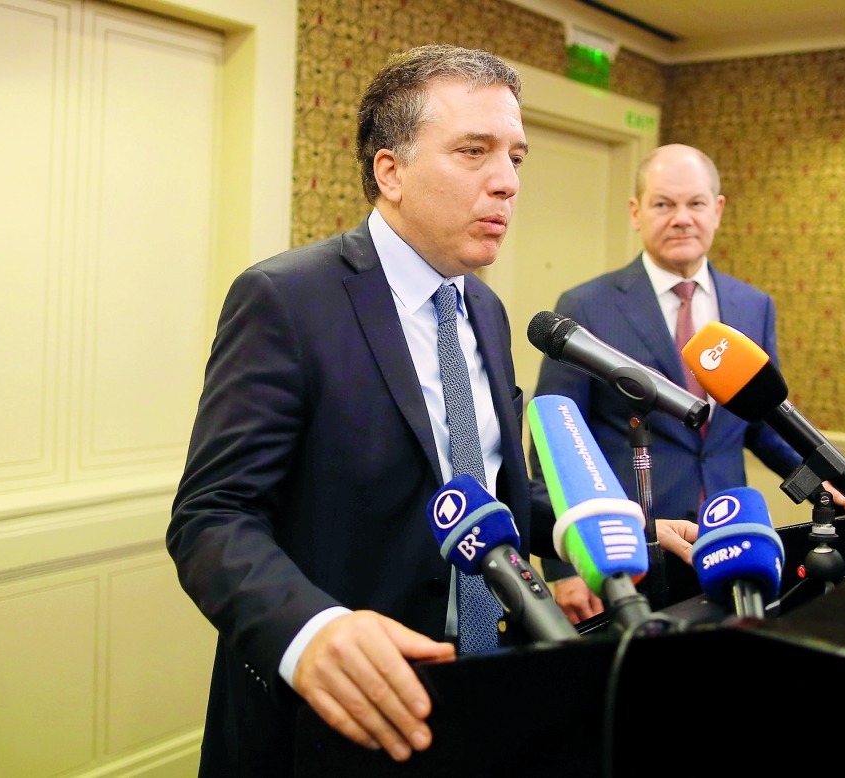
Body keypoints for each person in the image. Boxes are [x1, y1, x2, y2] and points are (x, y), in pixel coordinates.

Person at [167, 45, 697, 775]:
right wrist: (311, 630)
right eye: (473, 152)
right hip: (339, 721)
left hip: (480, 696)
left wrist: (615, 529)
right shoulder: (288, 299)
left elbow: (486, 489)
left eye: (516, 157)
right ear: (391, 171)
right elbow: (211, 518)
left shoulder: (486, 310)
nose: (506, 182)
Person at [530, 143, 845, 623]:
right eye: (663, 204)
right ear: (636, 212)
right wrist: (567, 567)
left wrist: (826, 473)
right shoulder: (587, 305)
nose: (681, 218)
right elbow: (553, 447)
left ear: (717, 211)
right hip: (637, 552)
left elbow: (761, 424)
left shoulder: (752, 306)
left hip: (733, 541)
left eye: (695, 203)